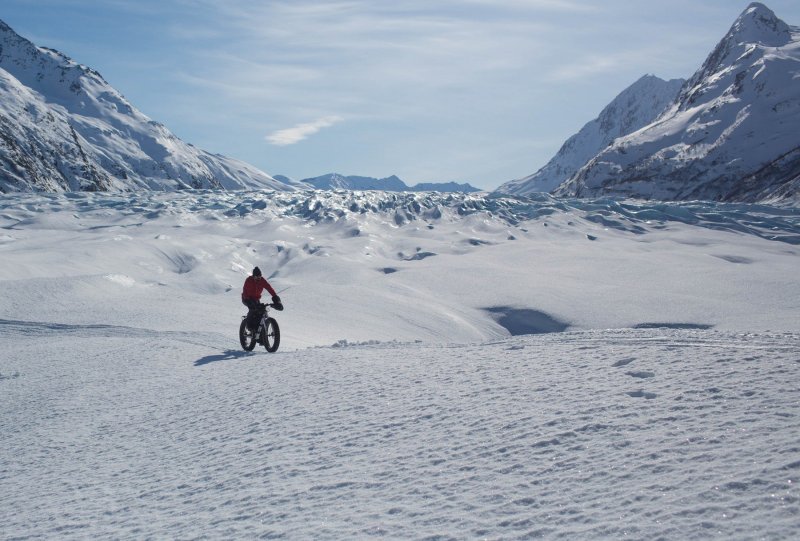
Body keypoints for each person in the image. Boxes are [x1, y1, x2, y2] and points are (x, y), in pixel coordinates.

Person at [242, 267, 283, 333]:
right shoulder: (248, 280)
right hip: (246, 298)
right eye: (256, 277)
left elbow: (270, 289)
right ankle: (249, 325)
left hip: (256, 299)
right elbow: (245, 291)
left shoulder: (262, 281)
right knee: (252, 310)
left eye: (260, 276)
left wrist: (276, 298)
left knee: (260, 311)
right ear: (253, 276)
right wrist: (248, 300)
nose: (258, 278)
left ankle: (259, 331)